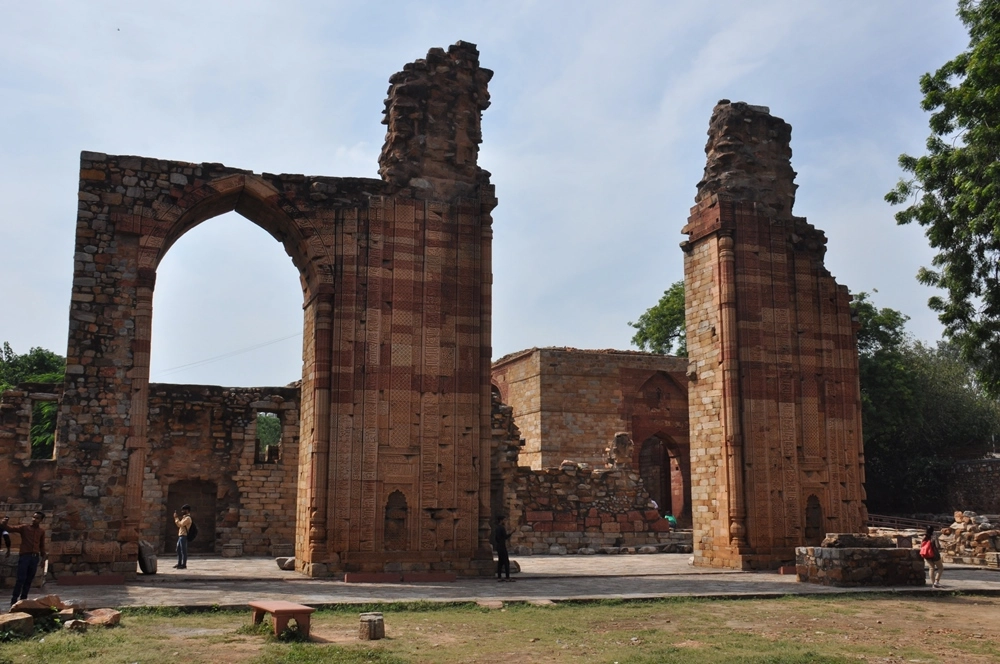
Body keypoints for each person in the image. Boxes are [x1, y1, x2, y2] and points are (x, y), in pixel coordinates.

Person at [2, 512, 46, 607]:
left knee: (29, 580)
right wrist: (4, 522)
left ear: (41, 520)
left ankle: (23, 600)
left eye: (37, 518)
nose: (34, 519)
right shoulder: (25, 528)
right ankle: (14, 600)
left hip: (34, 558)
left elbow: (42, 546)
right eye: (33, 517)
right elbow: (9, 529)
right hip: (25, 556)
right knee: (20, 579)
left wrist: (43, 558)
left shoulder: (41, 531)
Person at [493, 516, 514, 582]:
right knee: (506, 562)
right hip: (502, 546)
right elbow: (505, 537)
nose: (505, 522)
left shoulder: (497, 528)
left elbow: (496, 538)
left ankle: (499, 577)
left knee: (500, 562)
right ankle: (507, 577)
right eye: (504, 520)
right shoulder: (502, 528)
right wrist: (512, 532)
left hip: (498, 546)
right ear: (501, 521)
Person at [173, 504, 192, 570]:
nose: (182, 511)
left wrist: (176, 518)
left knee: (183, 551)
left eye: (183, 510)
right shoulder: (185, 517)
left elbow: (180, 524)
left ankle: (184, 564)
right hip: (181, 535)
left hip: (183, 536)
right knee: (178, 550)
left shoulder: (187, 518)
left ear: (187, 510)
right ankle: (179, 563)